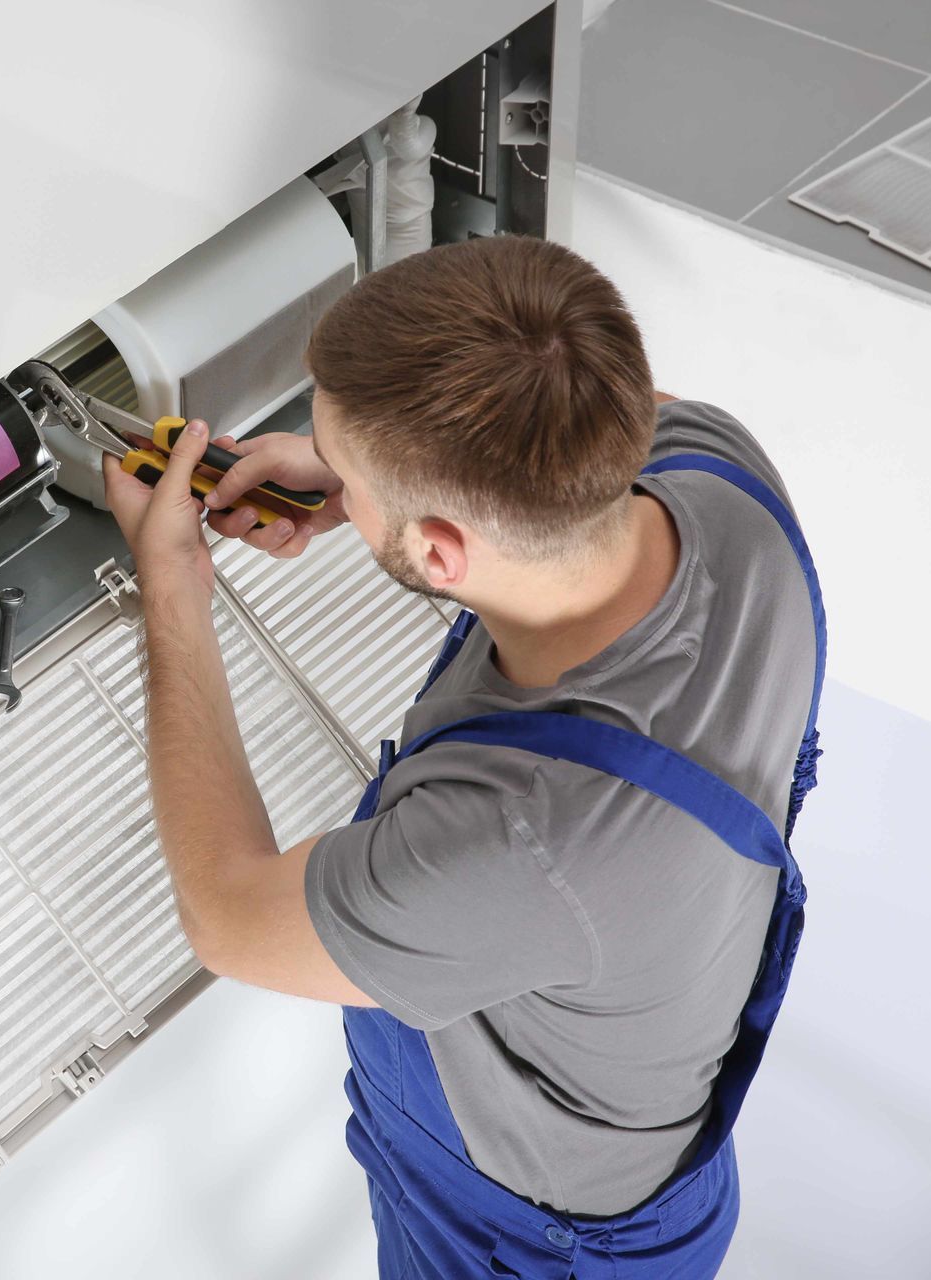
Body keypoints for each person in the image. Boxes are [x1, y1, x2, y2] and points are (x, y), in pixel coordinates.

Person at [101, 234, 822, 1278]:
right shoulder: (721, 480)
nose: (331, 485)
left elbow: (226, 913)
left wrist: (171, 584)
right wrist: (366, 468)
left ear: (441, 552)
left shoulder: (517, 839)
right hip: (638, 1139)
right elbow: (589, 416)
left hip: (533, 1246)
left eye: (342, 479)